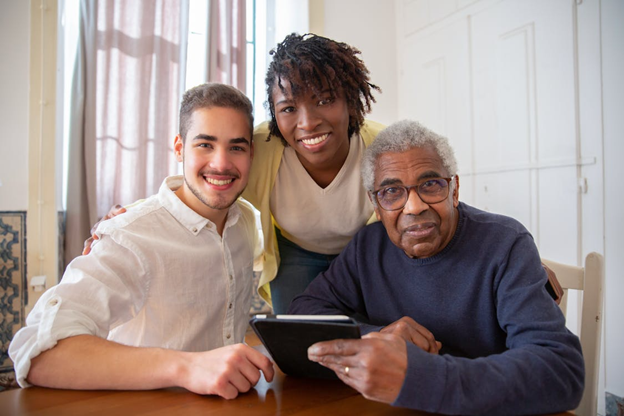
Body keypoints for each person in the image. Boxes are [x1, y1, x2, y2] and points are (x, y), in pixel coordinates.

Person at [288, 120, 585, 415]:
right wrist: (376, 337)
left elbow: (559, 370)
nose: (414, 207)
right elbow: (304, 311)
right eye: (392, 191)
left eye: (430, 185)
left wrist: (416, 376)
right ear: (376, 206)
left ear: (454, 190)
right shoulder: (368, 247)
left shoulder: (505, 244)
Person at [83, 33, 385, 314]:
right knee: (299, 338)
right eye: (289, 108)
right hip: (297, 252)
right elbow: (201, 186)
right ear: (275, 113)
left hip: (364, 249)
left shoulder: (383, 149)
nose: (307, 123)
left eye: (324, 100)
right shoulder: (261, 148)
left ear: (351, 100)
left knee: (375, 329)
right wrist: (126, 217)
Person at [9, 83, 274, 398]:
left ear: (251, 154)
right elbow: (37, 353)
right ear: (179, 148)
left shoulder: (244, 220)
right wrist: (186, 367)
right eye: (205, 144)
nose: (221, 163)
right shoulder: (128, 236)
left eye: (236, 147)